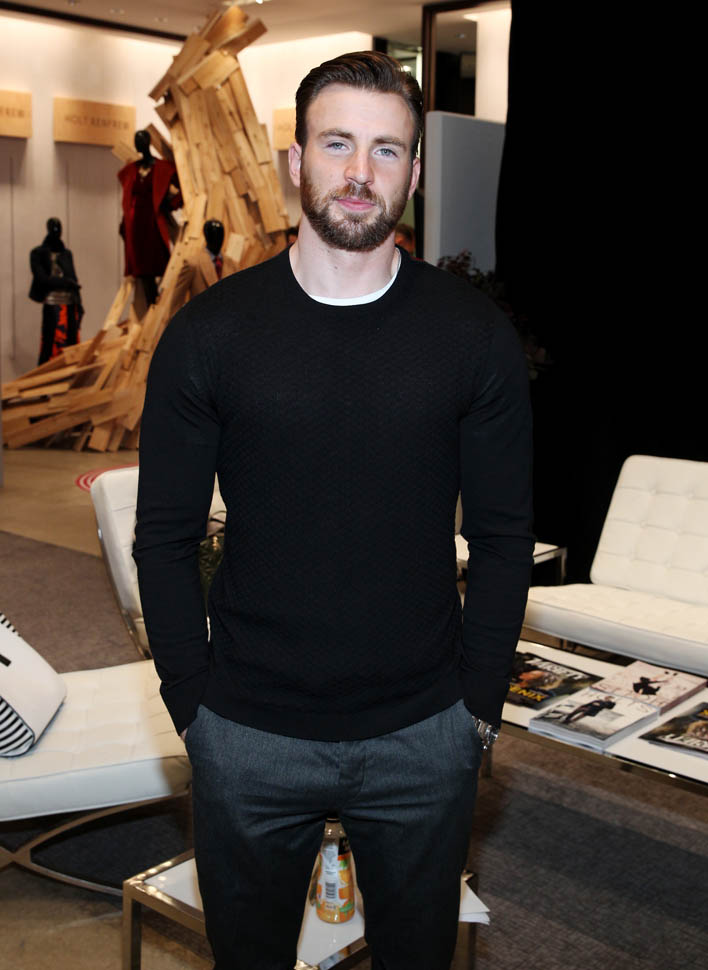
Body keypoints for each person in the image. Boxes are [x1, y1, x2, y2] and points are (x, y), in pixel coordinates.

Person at [134, 51, 534, 970]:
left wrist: (477, 707)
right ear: (297, 161)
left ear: (415, 173)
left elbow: (505, 536)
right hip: (246, 732)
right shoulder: (211, 335)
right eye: (338, 143)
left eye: (387, 150)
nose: (360, 172)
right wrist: (192, 704)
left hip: (425, 732)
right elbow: (165, 538)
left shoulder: (473, 337)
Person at [118, 129, 181, 305]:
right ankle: (151, 305)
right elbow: (128, 198)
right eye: (136, 140)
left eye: (140, 140)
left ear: (148, 142)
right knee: (142, 269)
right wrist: (124, 223)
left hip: (153, 225)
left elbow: (180, 191)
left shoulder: (162, 168)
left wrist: (169, 204)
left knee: (157, 263)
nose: (138, 144)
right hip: (135, 226)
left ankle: (158, 304)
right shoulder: (132, 170)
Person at [29, 217, 84, 365]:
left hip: (70, 305)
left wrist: (79, 305)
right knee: (50, 344)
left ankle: (70, 376)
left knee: (71, 346)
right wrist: (65, 282)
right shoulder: (38, 253)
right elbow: (42, 279)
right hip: (52, 304)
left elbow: (73, 278)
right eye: (53, 228)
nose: (56, 231)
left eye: (58, 228)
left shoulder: (66, 254)